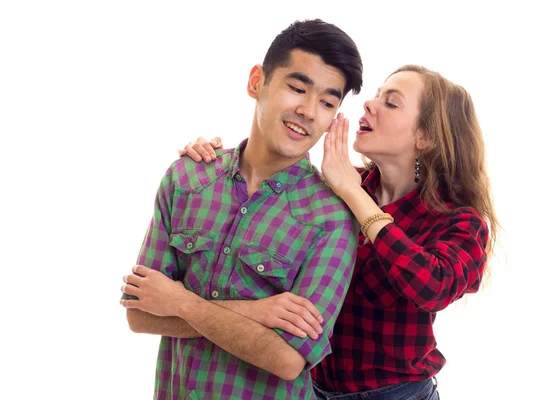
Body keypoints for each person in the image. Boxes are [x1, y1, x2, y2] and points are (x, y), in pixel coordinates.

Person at [181, 64, 498, 400]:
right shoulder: (338, 188)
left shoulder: (459, 222)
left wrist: (355, 196)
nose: (369, 105)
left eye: (391, 103)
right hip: (312, 390)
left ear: (425, 137)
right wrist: (218, 160)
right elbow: (266, 199)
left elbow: (432, 286)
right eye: (375, 95)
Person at [120, 19, 364, 400]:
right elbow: (140, 312)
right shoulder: (187, 178)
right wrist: (255, 312)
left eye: (328, 102)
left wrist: (181, 302)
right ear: (257, 82)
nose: (308, 111)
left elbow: (287, 359)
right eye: (297, 88)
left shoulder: (331, 219)